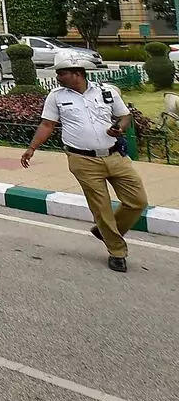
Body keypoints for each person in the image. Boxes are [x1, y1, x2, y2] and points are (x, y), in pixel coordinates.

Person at [22, 49, 149, 273]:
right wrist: (32, 148)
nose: (58, 77)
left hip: (115, 156)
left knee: (137, 201)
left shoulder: (106, 91)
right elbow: (47, 125)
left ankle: (105, 231)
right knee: (101, 207)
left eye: (61, 73)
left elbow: (125, 115)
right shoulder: (57, 97)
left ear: (77, 73)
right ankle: (117, 251)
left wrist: (120, 127)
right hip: (82, 159)